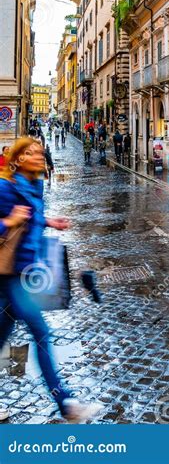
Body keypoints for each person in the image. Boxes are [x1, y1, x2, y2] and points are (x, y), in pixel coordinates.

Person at [0, 138, 102, 422]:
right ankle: (66, 403)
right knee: (42, 333)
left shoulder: (32, 187)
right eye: (31, 153)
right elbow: (12, 219)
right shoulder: (6, 188)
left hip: (20, 272)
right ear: (18, 159)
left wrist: (48, 221)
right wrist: (7, 222)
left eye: (40, 152)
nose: (39, 156)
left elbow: (32, 217)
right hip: (12, 275)